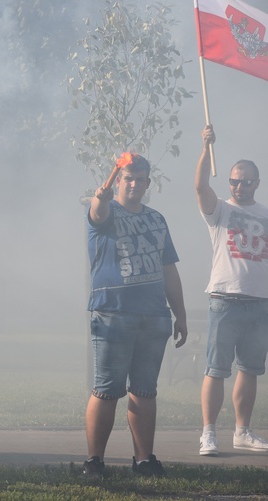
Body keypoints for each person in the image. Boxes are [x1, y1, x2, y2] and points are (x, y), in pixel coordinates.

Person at [83, 152, 187, 479]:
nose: (133, 184)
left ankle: (144, 460)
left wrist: (179, 315)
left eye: (139, 179)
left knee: (144, 390)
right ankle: (94, 461)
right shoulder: (106, 211)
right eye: (127, 178)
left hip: (154, 314)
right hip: (113, 312)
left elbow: (168, 269)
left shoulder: (157, 219)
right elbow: (96, 214)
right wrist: (101, 196)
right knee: (106, 390)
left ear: (147, 183)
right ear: (118, 181)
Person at [195, 125, 268, 456]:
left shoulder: (265, 214)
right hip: (225, 299)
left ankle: (242, 431)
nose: (239, 185)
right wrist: (205, 148)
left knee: (251, 368)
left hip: (260, 302)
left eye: (246, 181)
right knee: (216, 368)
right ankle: (208, 432)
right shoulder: (220, 210)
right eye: (234, 180)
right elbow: (200, 187)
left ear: (257, 183)